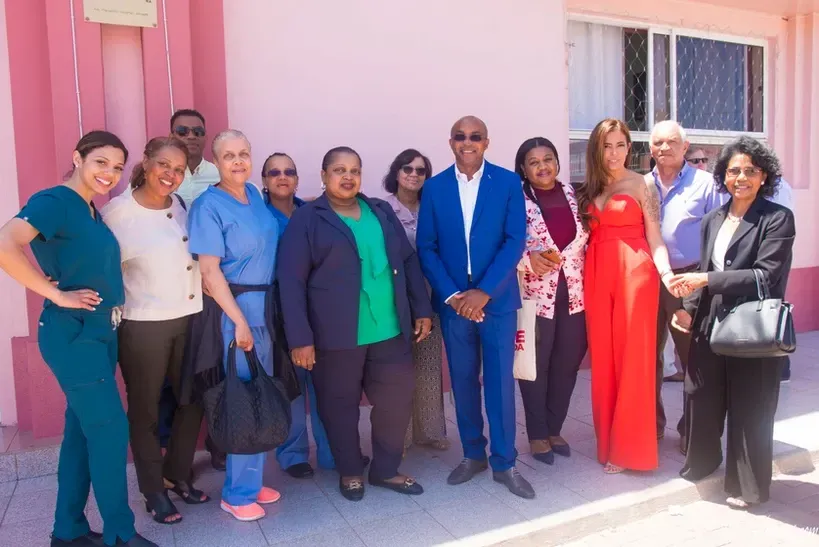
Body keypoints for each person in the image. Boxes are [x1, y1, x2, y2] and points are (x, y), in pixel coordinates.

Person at [0, 131, 156, 546]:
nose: (110, 173)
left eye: (118, 167)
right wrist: (55, 294)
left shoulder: (89, 209)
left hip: (101, 330)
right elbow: (4, 243)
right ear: (77, 158)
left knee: (81, 434)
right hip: (74, 332)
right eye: (101, 162)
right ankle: (120, 534)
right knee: (109, 429)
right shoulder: (55, 201)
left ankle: (68, 531)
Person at [278, 146, 433, 501]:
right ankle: (349, 470)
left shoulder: (379, 211)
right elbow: (291, 280)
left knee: (395, 400)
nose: (347, 177)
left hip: (389, 329)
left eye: (354, 170)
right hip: (335, 335)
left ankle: (386, 469)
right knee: (339, 407)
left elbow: (408, 261)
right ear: (324, 175)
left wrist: (421, 308)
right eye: (339, 170)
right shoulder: (308, 219)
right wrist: (300, 338)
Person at [669, 136, 795, 509]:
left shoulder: (776, 218)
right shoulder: (713, 219)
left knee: (750, 405)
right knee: (701, 394)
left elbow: (765, 276)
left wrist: (706, 280)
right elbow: (707, 266)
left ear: (764, 176)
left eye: (750, 171)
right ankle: (702, 463)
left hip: (753, 325)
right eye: (733, 170)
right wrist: (689, 307)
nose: (741, 178)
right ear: (723, 176)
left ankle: (747, 487)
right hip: (711, 321)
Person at [417, 116, 533, 499]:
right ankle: (472, 454)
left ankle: (505, 462)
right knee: (463, 380)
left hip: (496, 300)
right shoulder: (434, 188)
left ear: (486, 142)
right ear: (451, 142)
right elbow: (427, 247)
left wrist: (483, 292)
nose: (468, 142)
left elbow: (515, 240)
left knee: (500, 383)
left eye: (475, 137)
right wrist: (453, 295)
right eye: (461, 136)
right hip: (454, 303)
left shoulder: (507, 182)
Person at [101, 137, 209, 526]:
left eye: (178, 170)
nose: (171, 175)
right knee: (145, 410)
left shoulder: (180, 205)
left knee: (192, 400)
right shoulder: (117, 214)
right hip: (143, 324)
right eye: (164, 164)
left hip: (190, 316)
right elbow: (102, 267)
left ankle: (176, 473)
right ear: (146, 163)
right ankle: (153, 490)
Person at [186, 130, 281, 522]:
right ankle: (237, 494)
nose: (238, 161)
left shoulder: (254, 195)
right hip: (235, 314)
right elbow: (209, 272)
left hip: (265, 310)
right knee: (242, 400)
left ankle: (252, 483)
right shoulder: (207, 205)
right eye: (229, 156)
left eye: (244, 153)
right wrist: (239, 321)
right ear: (216, 161)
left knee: (261, 395)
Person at [576, 118, 678, 474]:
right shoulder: (587, 188)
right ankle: (609, 442)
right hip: (596, 275)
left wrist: (666, 274)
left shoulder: (642, 184)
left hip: (636, 274)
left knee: (633, 359)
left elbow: (655, 236)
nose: (614, 153)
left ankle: (629, 449)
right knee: (604, 359)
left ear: (629, 148)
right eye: (607, 146)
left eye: (621, 145)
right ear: (596, 150)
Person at [645, 120, 726, 453]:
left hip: (690, 281)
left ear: (685, 145)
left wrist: (704, 283)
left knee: (693, 359)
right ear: (650, 148)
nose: (664, 148)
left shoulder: (706, 184)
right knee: (647, 359)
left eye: (672, 141)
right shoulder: (642, 184)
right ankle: (651, 426)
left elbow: (720, 237)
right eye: (658, 142)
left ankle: (690, 429)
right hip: (649, 280)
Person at [514, 137, 589, 465]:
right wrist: (526, 259)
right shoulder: (515, 200)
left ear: (558, 162)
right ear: (523, 169)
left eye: (548, 159)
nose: (542, 167)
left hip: (576, 296)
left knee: (567, 363)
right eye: (534, 162)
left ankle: (554, 427)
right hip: (535, 299)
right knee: (535, 367)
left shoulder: (576, 195)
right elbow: (502, 243)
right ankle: (537, 433)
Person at [260, 152, 334, 478]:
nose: (282, 177)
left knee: (325, 383)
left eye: (289, 171)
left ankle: (332, 451)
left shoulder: (311, 213)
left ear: (297, 179)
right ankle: (293, 455)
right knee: (290, 384)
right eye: (274, 172)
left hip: (318, 306)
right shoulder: (258, 216)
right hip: (276, 306)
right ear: (264, 180)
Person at [382, 149, 450, 452]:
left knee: (429, 365)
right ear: (396, 173)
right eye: (407, 168)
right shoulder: (383, 210)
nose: (413, 175)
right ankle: (401, 436)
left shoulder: (433, 209)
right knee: (398, 369)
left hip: (431, 296)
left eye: (420, 171)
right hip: (395, 299)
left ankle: (430, 432)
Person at [769, 177, 794, 383]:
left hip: (774, 253)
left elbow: (781, 225)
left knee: (773, 307)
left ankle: (781, 366)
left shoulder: (778, 186)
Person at [170, 109, 221, 208]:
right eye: (182, 131)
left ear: (205, 137)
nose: (191, 137)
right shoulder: (162, 177)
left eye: (198, 132)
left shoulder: (220, 175)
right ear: (171, 137)